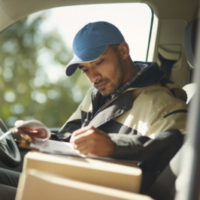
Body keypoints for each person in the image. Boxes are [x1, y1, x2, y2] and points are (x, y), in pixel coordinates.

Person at [0, 21, 187, 199]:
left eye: (99, 62)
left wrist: (114, 145)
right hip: (75, 180)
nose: (93, 77)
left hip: (103, 192)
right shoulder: (96, 94)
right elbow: (69, 138)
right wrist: (46, 139)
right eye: (85, 69)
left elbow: (182, 146)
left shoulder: (160, 101)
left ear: (123, 50)